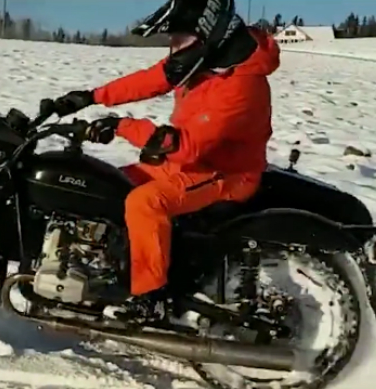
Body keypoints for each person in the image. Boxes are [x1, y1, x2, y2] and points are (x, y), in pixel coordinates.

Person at [51, 0, 281, 320]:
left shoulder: (241, 85)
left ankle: (151, 296)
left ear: (209, 35)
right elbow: (153, 79)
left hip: (225, 172)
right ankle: (107, 270)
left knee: (146, 203)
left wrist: (121, 126)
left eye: (179, 40)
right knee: (108, 187)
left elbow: (184, 147)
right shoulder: (208, 62)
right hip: (189, 163)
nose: (174, 49)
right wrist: (91, 97)